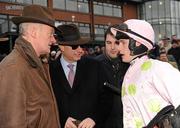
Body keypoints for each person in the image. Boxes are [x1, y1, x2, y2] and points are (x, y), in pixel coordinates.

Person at [110, 19, 180, 128]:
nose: (118, 48)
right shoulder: (130, 71)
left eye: (122, 42)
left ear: (137, 43)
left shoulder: (157, 68)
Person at [0, 5, 61, 128]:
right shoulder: (13, 68)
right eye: (50, 34)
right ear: (34, 32)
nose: (54, 40)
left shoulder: (39, 63)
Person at [49, 24, 112, 128]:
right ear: (61, 47)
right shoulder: (49, 71)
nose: (80, 50)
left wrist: (94, 118)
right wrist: (61, 119)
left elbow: (107, 98)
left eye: (81, 45)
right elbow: (46, 104)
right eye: (74, 46)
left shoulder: (95, 66)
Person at [95, 24, 129, 128]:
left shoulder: (130, 64)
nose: (113, 47)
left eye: (116, 42)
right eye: (109, 43)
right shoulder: (94, 65)